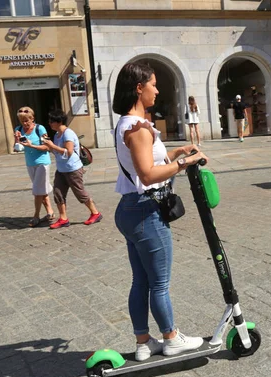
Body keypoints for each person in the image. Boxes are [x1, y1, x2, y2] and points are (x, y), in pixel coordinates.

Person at [112, 62, 209, 361]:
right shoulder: (138, 128)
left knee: (140, 281)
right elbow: (148, 174)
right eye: (153, 84)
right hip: (145, 212)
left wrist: (176, 153)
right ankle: (171, 338)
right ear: (139, 88)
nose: (157, 89)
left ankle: (144, 342)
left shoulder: (128, 123)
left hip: (129, 210)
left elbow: (149, 161)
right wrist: (186, 163)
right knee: (159, 283)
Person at [43, 110, 103, 229]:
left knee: (79, 193)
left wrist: (52, 145)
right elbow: (56, 152)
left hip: (73, 169)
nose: (49, 123)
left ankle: (95, 213)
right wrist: (47, 146)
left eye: (51, 121)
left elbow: (68, 152)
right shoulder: (56, 135)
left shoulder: (68, 134)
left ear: (59, 121)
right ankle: (63, 218)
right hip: (61, 169)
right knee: (58, 193)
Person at [14, 107, 55, 227]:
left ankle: (36, 216)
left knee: (37, 191)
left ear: (32, 119)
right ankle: (50, 212)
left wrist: (31, 145)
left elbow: (48, 147)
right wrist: (17, 140)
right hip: (30, 163)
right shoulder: (18, 129)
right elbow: (17, 148)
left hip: (42, 163)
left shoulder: (40, 128)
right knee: (42, 190)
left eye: (27, 120)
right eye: (22, 121)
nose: (25, 124)